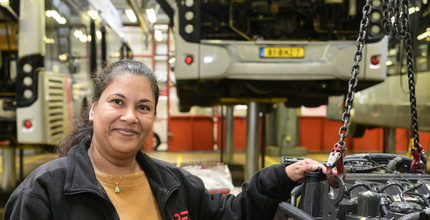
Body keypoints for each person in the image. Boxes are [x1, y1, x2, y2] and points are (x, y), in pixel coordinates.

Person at [4, 60, 328, 220]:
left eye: (143, 107)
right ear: (93, 109)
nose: (130, 116)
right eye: (117, 102)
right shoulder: (43, 192)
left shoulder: (173, 184)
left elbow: (233, 213)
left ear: (152, 118)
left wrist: (280, 177)